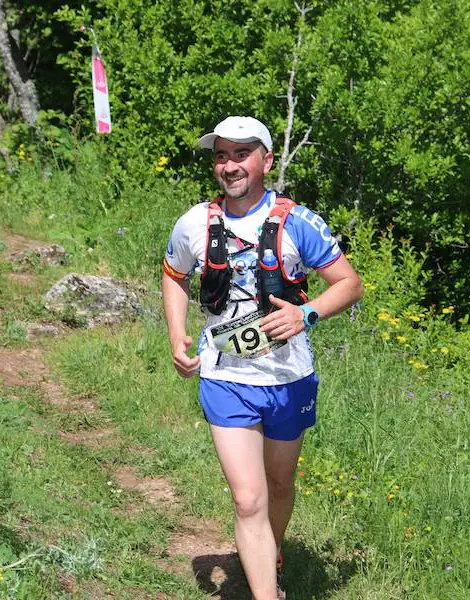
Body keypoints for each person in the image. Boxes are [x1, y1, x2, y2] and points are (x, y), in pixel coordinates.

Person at [161, 116, 364, 599]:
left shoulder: (299, 221)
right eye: (220, 155)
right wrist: (177, 335)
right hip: (225, 376)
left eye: (240, 154)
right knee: (248, 500)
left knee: (279, 485)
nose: (229, 166)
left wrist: (306, 315)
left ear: (266, 161)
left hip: (289, 377)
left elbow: (350, 285)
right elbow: (173, 275)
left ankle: (271, 549)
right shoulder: (195, 222)